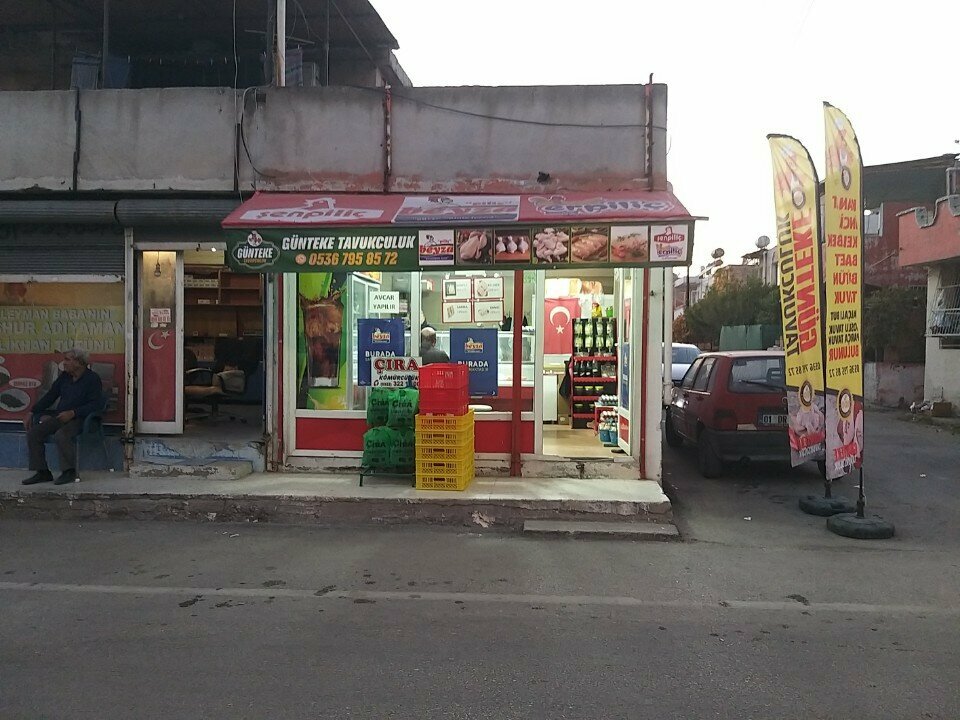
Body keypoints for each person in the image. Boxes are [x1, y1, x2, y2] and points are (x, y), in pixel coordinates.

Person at [22, 347, 103, 486]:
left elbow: (96, 405)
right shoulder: (65, 377)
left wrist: (74, 413)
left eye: (67, 360)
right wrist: (32, 411)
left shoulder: (92, 379)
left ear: (78, 362)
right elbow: (50, 396)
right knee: (34, 433)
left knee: (62, 435)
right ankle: (42, 472)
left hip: (82, 419)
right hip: (61, 416)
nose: (63, 363)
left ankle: (69, 471)